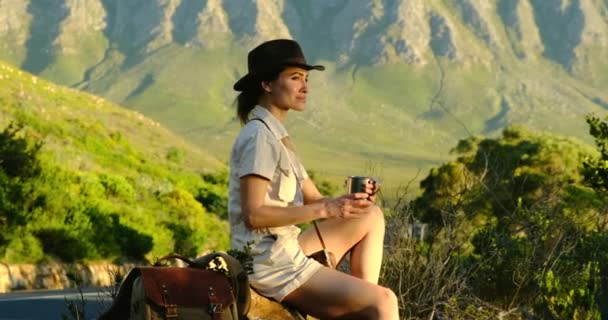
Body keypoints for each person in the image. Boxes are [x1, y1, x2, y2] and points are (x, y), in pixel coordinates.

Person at [228, 39, 399, 319]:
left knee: (371, 215)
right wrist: (325, 209)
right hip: (269, 265)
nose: (305, 86)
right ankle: (369, 307)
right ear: (266, 84)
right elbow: (253, 215)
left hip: (284, 247)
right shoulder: (259, 137)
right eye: (295, 78)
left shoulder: (278, 137)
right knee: (384, 302)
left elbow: (317, 200)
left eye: (306, 79)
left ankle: (360, 305)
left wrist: (350, 203)